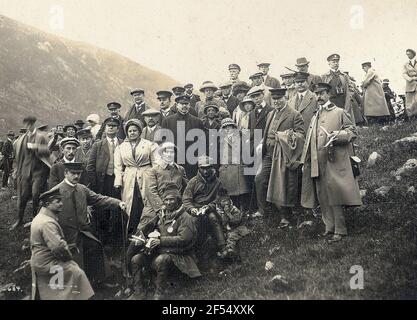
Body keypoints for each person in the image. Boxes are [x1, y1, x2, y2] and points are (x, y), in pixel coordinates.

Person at [301, 83, 362, 243]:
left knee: (335, 195)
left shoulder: (339, 112)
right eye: (316, 94)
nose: (319, 97)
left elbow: (352, 132)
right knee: (322, 195)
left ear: (329, 94)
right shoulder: (315, 116)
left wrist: (338, 135)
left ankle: (340, 230)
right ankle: (329, 227)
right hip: (317, 162)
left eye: (322, 93)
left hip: (334, 161)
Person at [48, 162, 127, 285]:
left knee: (95, 246)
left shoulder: (82, 189)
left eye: (78, 174)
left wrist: (117, 203)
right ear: (65, 173)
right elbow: (47, 216)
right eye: (73, 173)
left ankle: (98, 279)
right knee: (73, 260)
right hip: (66, 234)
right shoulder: (56, 192)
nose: (76, 176)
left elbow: (99, 199)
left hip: (84, 232)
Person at [128, 183, 200, 300]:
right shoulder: (162, 215)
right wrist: (144, 240)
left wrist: (160, 241)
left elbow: (184, 239)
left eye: (171, 199)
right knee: (136, 259)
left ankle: (159, 293)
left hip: (179, 256)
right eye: (166, 199)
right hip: (160, 252)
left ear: (177, 200)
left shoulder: (185, 217)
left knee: (161, 260)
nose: (168, 202)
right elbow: (153, 230)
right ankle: (138, 292)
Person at [30, 188, 94, 300]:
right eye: (57, 201)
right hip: (47, 263)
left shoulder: (41, 217)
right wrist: (69, 257)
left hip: (40, 260)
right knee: (77, 272)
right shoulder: (47, 223)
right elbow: (58, 248)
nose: (61, 204)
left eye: (61, 200)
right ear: (48, 204)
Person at [254, 88, 305, 226]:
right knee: (260, 179)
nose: (276, 102)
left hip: (283, 155)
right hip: (269, 154)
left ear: (286, 98)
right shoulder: (271, 113)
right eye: (274, 99)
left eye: (279, 99)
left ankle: (285, 216)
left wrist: (284, 136)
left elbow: (301, 135)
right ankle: (263, 210)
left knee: (282, 184)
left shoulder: (294, 114)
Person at [114, 119, 159, 234]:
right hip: (129, 178)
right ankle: (131, 235)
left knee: (147, 204)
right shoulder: (120, 147)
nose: (132, 133)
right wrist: (118, 181)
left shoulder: (150, 145)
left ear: (139, 132)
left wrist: (156, 179)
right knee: (131, 206)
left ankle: (148, 233)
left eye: (135, 130)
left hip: (146, 176)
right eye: (130, 131)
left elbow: (156, 164)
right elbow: (118, 166)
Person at [86, 117, 124, 244]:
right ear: (105, 128)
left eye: (114, 126)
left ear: (118, 128)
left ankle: (115, 238)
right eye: (109, 125)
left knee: (117, 207)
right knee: (102, 209)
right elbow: (90, 166)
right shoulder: (98, 145)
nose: (111, 127)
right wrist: (94, 184)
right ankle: (103, 238)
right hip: (103, 181)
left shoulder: (123, 143)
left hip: (118, 181)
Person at [11, 116, 53, 230]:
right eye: (26, 124)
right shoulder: (21, 139)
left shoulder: (41, 137)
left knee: (35, 195)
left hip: (38, 172)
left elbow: (48, 152)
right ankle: (19, 220)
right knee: (23, 196)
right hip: (24, 171)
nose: (28, 126)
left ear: (33, 124)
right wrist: (16, 170)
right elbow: (17, 157)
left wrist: (35, 146)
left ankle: (35, 220)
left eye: (30, 123)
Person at [182, 156, 228, 259]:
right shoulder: (193, 182)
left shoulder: (217, 182)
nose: (206, 171)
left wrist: (209, 207)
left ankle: (223, 247)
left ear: (211, 167)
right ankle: (191, 252)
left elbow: (219, 199)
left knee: (213, 218)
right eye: (203, 168)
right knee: (192, 222)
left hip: (209, 209)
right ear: (199, 168)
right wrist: (192, 209)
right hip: (195, 210)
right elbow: (186, 200)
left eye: (208, 167)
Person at [141, 142, 188, 230]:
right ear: (162, 154)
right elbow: (151, 191)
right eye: (166, 152)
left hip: (176, 205)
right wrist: (161, 207)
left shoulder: (180, 170)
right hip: (156, 205)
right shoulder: (153, 170)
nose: (169, 154)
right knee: (145, 227)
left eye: (172, 152)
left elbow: (187, 188)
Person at [159, 95, 206, 178]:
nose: (184, 106)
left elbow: (202, 143)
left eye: (186, 104)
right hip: (174, 160)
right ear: (176, 105)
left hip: (192, 161)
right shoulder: (167, 121)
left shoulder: (197, 121)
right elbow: (163, 142)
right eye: (181, 104)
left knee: (191, 184)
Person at [205, 187, 249, 260]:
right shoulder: (219, 210)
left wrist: (228, 213)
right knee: (220, 237)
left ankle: (231, 251)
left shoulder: (233, 209)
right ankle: (223, 252)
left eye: (227, 200)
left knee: (231, 237)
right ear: (219, 202)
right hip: (226, 229)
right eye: (223, 201)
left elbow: (237, 220)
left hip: (236, 228)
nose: (226, 203)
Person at [218, 118, 251, 212]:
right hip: (225, 169)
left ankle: (243, 211)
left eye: (230, 126)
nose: (228, 129)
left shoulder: (241, 138)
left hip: (238, 167)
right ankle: (231, 211)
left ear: (234, 127)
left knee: (241, 193)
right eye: (225, 127)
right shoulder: (219, 139)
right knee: (228, 194)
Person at [321, 54, 355, 123]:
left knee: (345, 119)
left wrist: (349, 97)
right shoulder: (324, 76)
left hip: (343, 101)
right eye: (333, 62)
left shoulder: (344, 75)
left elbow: (351, 88)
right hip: (331, 101)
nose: (336, 63)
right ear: (329, 63)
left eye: (337, 62)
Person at [402, 48, 417, 117]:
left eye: (409, 54)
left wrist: (415, 78)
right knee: (409, 102)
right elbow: (404, 74)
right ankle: (411, 116)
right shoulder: (406, 64)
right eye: (407, 54)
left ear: (413, 54)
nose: (408, 55)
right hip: (410, 84)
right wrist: (410, 79)